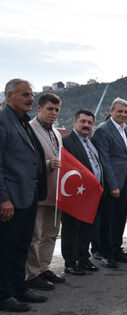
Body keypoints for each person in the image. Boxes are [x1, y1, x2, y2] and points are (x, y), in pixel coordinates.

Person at [0, 79, 49, 312]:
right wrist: (3, 199)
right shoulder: (3, 120)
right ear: (9, 96)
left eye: (31, 94)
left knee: (21, 245)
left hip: (28, 196)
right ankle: (3, 294)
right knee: (6, 247)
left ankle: (19, 287)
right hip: (11, 198)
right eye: (25, 95)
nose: (30, 98)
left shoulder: (23, 122)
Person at [25, 93, 65, 291]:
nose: (53, 113)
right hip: (39, 191)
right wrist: (48, 164)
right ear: (39, 108)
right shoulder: (29, 129)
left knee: (51, 233)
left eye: (56, 110)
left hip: (56, 192)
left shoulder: (56, 133)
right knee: (36, 234)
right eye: (50, 109)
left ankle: (44, 267)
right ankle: (31, 273)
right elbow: (26, 160)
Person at [91, 97, 127, 268]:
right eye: (119, 111)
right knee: (107, 220)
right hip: (111, 183)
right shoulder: (103, 130)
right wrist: (113, 185)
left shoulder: (125, 130)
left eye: (125, 112)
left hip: (125, 181)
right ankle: (106, 253)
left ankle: (116, 249)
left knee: (120, 218)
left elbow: (126, 156)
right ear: (111, 112)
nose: (123, 114)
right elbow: (105, 160)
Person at [60, 109, 103, 276]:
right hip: (74, 194)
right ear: (74, 123)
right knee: (71, 229)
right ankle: (70, 262)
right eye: (83, 122)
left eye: (90, 122)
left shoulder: (90, 141)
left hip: (91, 194)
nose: (86, 125)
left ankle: (84, 258)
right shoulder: (66, 141)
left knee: (87, 228)